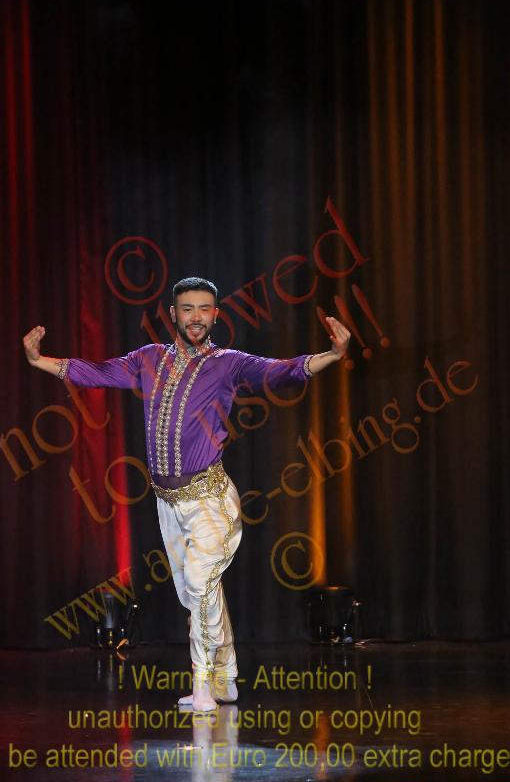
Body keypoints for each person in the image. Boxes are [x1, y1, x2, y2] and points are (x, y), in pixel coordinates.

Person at [23, 276, 351, 711]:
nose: (196, 317)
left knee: (199, 585)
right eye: (188, 308)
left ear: (216, 314)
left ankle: (202, 687)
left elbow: (280, 370)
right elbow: (97, 373)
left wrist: (333, 355)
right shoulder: (148, 359)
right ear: (173, 314)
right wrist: (39, 360)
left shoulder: (228, 364)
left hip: (211, 502)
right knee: (198, 593)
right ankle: (226, 678)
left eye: (204, 309)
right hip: (168, 503)